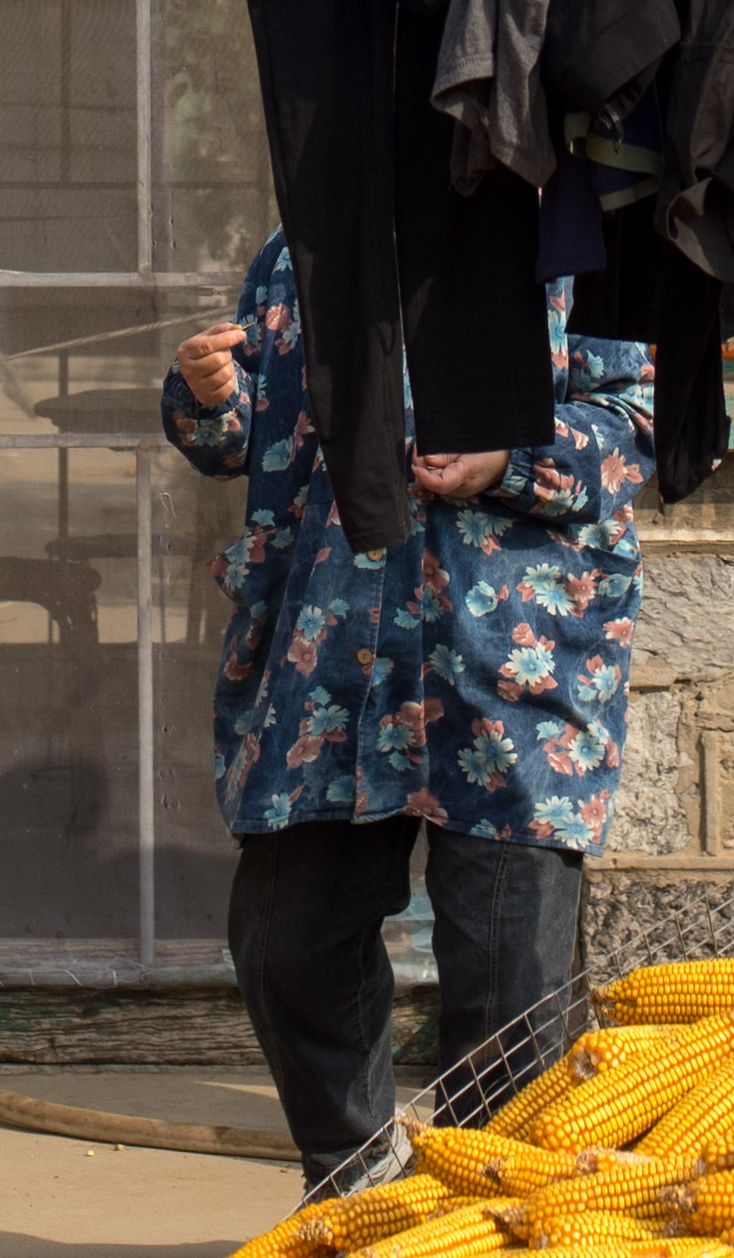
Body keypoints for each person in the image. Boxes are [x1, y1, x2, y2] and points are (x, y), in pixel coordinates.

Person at [167, 219, 646, 1182]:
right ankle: (355, 1174)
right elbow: (250, 436)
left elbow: (639, 420)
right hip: (326, 653)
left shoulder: (572, 240)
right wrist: (208, 397)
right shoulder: (302, 242)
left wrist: (507, 460)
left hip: (509, 661)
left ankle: (484, 1206)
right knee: (285, 936)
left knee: (509, 982)